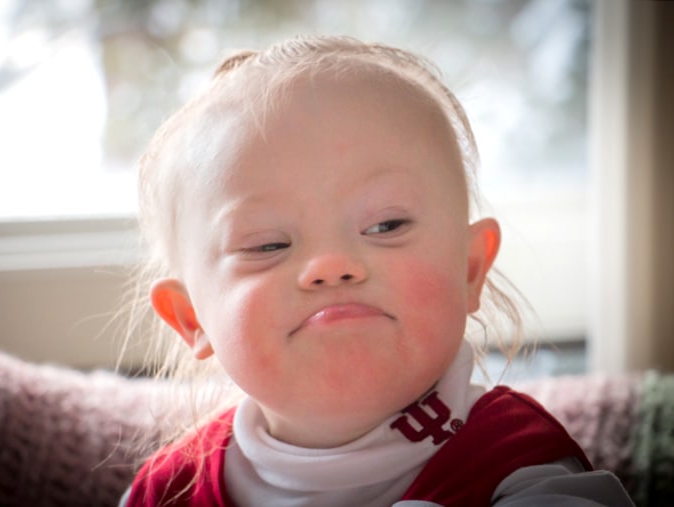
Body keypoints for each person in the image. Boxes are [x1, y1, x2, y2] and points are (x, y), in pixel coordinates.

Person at [121, 35, 634, 506]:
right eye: (268, 244)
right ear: (191, 318)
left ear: (470, 268)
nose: (331, 266)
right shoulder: (166, 491)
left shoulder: (520, 463)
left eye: (386, 225)